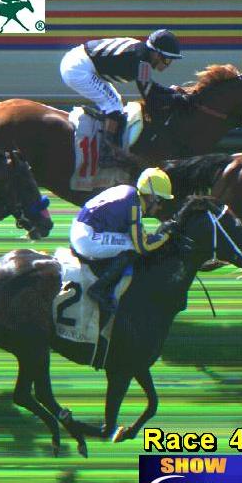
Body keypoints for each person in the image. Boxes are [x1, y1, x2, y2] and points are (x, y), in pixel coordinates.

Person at [60, 29, 186, 164]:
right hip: (78, 68)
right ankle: (105, 153)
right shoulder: (141, 62)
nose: (168, 65)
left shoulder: (142, 55)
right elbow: (151, 98)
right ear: (156, 54)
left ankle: (108, 145)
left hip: (81, 62)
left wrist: (172, 93)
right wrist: (178, 98)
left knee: (116, 103)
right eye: (167, 60)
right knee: (113, 105)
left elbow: (150, 87)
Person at [69, 167, 175, 315]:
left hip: (83, 229)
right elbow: (142, 246)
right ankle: (99, 289)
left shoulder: (130, 193)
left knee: (127, 240)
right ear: (152, 197)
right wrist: (165, 235)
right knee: (131, 246)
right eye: (160, 201)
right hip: (86, 236)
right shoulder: (134, 205)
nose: (160, 207)